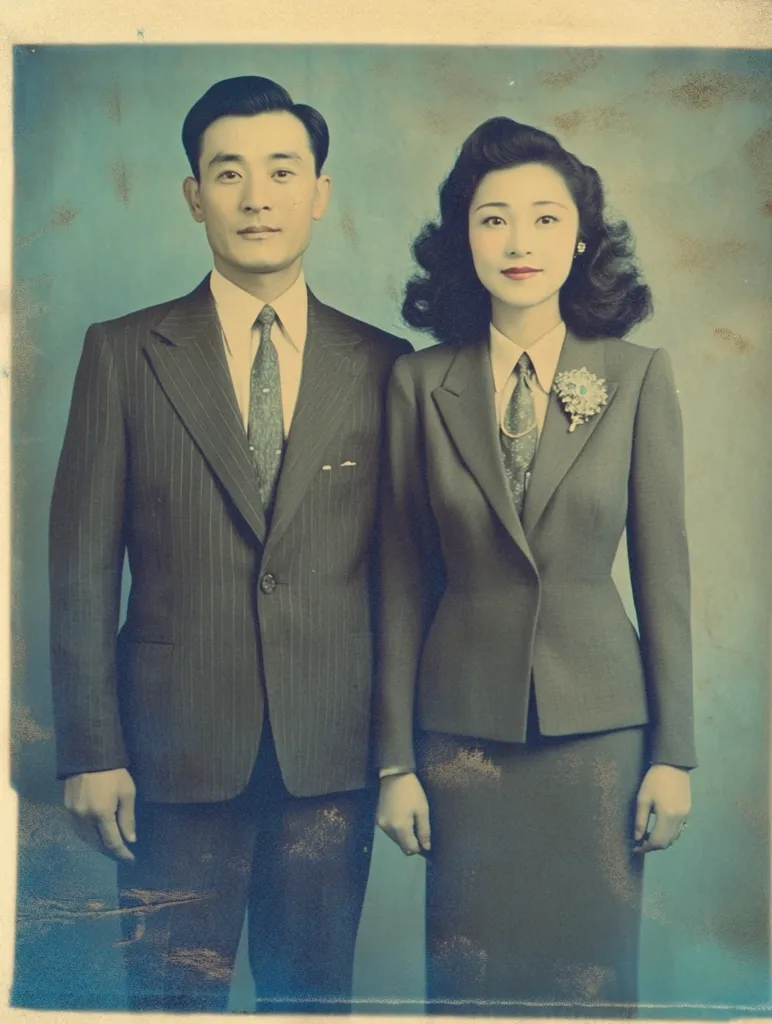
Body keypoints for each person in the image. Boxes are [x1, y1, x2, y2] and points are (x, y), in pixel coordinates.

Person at [49, 75, 410, 1014]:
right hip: (169, 758)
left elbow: (405, 581)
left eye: (283, 171)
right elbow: (82, 568)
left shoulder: (383, 366)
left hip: (330, 755)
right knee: (167, 1000)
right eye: (229, 172)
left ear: (320, 193)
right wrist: (91, 748)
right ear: (193, 194)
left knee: (313, 999)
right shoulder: (124, 353)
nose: (258, 197)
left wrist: (403, 751)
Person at [375, 116, 696, 1017]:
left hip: (600, 736)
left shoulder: (634, 377)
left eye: (546, 219)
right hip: (460, 734)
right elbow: (400, 583)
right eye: (493, 219)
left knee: (590, 985)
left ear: (582, 237)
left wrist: (675, 755)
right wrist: (395, 762)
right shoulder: (418, 382)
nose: (520, 243)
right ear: (461, 238)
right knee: (470, 985)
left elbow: (665, 578)